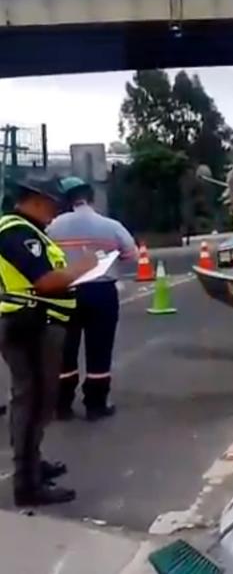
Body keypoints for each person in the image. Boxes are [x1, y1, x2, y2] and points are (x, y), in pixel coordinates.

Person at [0, 175, 96, 506]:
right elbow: (45, 282)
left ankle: (33, 464)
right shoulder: (16, 231)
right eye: (53, 205)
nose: (55, 212)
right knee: (32, 401)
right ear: (38, 200)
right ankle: (27, 485)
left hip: (33, 323)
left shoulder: (26, 230)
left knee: (35, 401)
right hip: (31, 325)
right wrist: (82, 269)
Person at [47, 177, 137, 422]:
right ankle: (96, 404)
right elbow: (131, 254)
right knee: (100, 349)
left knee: (65, 351)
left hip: (65, 292)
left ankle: (62, 405)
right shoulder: (110, 225)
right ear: (91, 197)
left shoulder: (52, 227)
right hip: (102, 293)